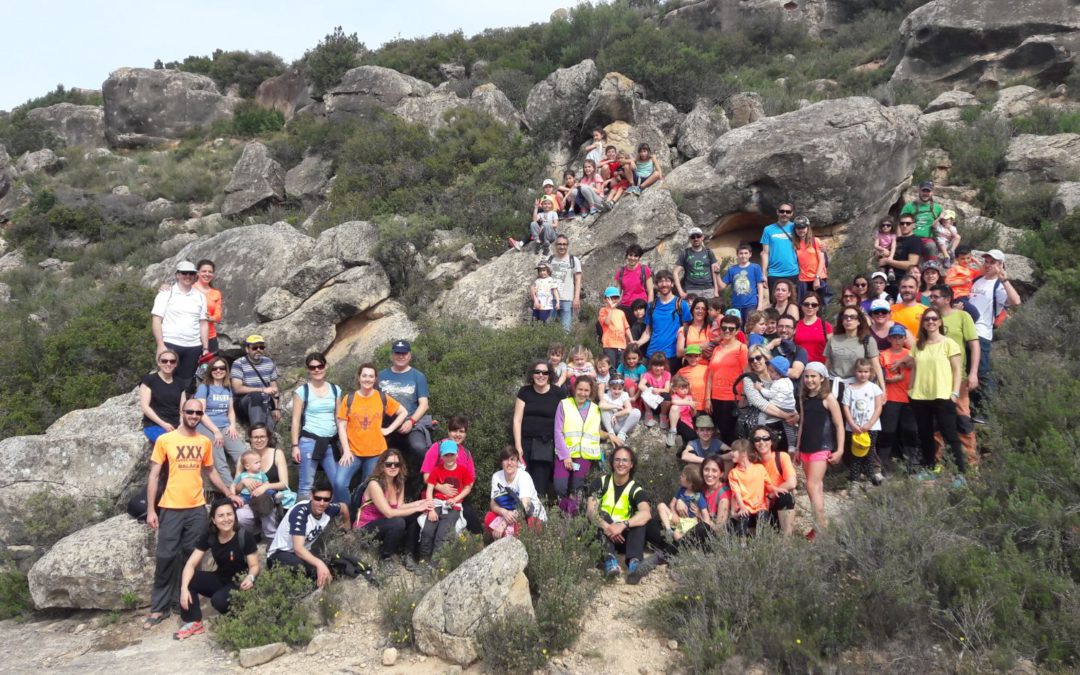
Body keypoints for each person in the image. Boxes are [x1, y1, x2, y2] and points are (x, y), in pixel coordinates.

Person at [144, 399, 237, 629]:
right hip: (171, 507)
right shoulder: (166, 440)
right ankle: (158, 608)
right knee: (166, 556)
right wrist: (150, 510)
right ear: (181, 412)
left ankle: (181, 602)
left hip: (196, 508)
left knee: (190, 557)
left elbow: (210, 471)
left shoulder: (204, 442)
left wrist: (227, 493)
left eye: (198, 412)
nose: (194, 415)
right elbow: (154, 476)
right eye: (190, 412)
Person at [174, 499, 258, 640]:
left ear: (234, 516)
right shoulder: (210, 536)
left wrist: (251, 577)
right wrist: (184, 589)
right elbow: (190, 564)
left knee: (218, 600)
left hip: (240, 582)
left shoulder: (244, 536)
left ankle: (238, 617)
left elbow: (254, 566)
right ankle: (194, 622)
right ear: (213, 519)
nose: (226, 519)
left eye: (229, 514)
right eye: (221, 516)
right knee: (187, 578)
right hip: (221, 578)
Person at [586, 446, 663, 584]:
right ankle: (609, 560)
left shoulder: (636, 489)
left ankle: (635, 564)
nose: (621, 463)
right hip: (602, 535)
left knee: (640, 521)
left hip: (622, 538)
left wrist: (622, 525)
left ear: (631, 464)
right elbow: (591, 511)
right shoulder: (600, 482)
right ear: (612, 462)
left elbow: (646, 513)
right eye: (617, 460)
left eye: (625, 460)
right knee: (601, 513)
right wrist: (607, 528)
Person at [907, 308, 966, 482]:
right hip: (920, 396)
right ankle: (929, 468)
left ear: (940, 322)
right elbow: (914, 368)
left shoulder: (949, 343)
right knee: (925, 435)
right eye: (927, 319)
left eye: (934, 319)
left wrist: (954, 393)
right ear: (923, 323)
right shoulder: (918, 345)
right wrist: (910, 389)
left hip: (943, 395)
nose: (930, 322)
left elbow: (957, 370)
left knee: (950, 435)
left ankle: (960, 473)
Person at [337, 362, 408, 502]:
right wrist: (346, 450)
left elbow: (403, 412)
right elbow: (341, 426)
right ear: (359, 377)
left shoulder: (381, 398)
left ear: (375, 379)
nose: (367, 379)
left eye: (371, 376)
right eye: (364, 376)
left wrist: (389, 429)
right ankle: (346, 514)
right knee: (339, 483)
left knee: (367, 488)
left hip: (376, 453)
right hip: (353, 452)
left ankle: (360, 518)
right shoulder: (349, 398)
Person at [355, 449, 432, 572]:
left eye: (397, 464)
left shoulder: (398, 483)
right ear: (382, 466)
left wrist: (419, 504)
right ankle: (385, 558)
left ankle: (408, 554)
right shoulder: (375, 484)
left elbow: (400, 506)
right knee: (398, 522)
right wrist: (417, 507)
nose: (393, 467)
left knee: (416, 515)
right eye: (389, 464)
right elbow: (389, 513)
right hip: (367, 528)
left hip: (386, 524)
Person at [266, 477, 350, 588]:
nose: (321, 503)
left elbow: (343, 507)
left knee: (332, 565)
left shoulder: (329, 508)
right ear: (311, 496)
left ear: (331, 499)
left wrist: (347, 527)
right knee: (303, 568)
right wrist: (319, 564)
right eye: (317, 498)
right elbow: (298, 548)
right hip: (280, 553)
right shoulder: (300, 513)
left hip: (303, 551)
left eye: (326, 499)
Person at [967, 249, 1021, 419]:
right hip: (966, 331)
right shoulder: (977, 280)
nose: (988, 265)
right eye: (987, 261)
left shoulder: (999, 285)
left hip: (981, 332)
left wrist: (1004, 278)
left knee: (982, 371)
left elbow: (1016, 301)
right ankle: (972, 408)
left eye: (993, 262)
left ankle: (985, 411)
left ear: (1000, 265)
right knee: (967, 369)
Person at [931, 283, 980, 467]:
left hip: (958, 378)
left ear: (947, 298)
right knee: (936, 422)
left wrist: (974, 373)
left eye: (936, 297)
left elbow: (974, 345)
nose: (932, 300)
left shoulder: (962, 316)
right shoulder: (931, 319)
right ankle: (938, 463)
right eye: (932, 297)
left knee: (962, 419)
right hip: (935, 378)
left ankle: (970, 464)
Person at [796, 362, 844, 536]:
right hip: (806, 447)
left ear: (822, 378)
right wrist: (797, 447)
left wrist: (840, 450)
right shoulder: (804, 397)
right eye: (807, 376)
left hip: (821, 447)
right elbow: (801, 424)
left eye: (813, 376)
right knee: (816, 488)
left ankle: (820, 528)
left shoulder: (828, 398)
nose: (809, 380)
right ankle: (819, 525)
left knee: (811, 485)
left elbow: (839, 425)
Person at [291, 352, 342, 501]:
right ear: (308, 370)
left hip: (331, 442)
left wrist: (343, 443)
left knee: (338, 483)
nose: (317, 370)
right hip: (309, 441)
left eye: (320, 366)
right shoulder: (302, 391)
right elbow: (295, 420)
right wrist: (295, 445)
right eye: (313, 367)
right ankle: (301, 520)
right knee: (306, 484)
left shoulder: (335, 389)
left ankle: (336, 519)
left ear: (325, 366)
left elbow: (339, 418)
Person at [378, 340, 433, 477]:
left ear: (409, 355)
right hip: (386, 425)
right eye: (397, 353)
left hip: (410, 423)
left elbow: (424, 404)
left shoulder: (418, 376)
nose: (401, 356)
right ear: (392, 355)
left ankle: (432, 480)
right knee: (376, 455)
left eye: (404, 353)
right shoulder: (380, 376)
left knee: (420, 448)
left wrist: (411, 421)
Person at [420, 415, 482, 535]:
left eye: (461, 431)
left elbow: (470, 481)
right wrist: (441, 487)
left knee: (474, 524)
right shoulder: (436, 448)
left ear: (465, 434)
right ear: (448, 431)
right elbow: (426, 477)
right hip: (434, 495)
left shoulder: (466, 453)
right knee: (422, 525)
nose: (457, 434)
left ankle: (480, 547)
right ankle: (411, 552)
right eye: (454, 430)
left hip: (458, 498)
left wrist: (456, 497)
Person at [151, 260, 209, 384]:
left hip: (193, 346)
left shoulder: (200, 297)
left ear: (195, 276)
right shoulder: (166, 294)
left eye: (191, 273)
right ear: (177, 275)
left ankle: (182, 403)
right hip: (170, 343)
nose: (187, 276)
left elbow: (203, 323)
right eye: (184, 273)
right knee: (165, 379)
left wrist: (205, 348)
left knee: (186, 382)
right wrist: (160, 345)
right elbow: (156, 320)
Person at [512, 359, 563, 497]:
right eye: (537, 372)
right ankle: (521, 516)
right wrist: (518, 446)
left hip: (545, 444)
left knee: (539, 486)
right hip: (525, 443)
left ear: (549, 374)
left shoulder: (558, 393)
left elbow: (564, 419)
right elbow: (517, 420)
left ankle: (537, 516)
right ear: (532, 374)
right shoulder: (524, 392)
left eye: (545, 372)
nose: (541, 375)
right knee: (522, 483)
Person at [193, 355, 245, 489]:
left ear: (226, 370)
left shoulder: (227, 389)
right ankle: (230, 489)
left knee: (242, 454)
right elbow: (200, 412)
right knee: (219, 458)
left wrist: (232, 426)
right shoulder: (205, 387)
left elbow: (230, 410)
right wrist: (215, 431)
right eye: (215, 368)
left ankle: (240, 483)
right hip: (206, 426)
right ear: (210, 370)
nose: (218, 371)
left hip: (225, 425)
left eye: (222, 368)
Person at [418, 440, 474, 561]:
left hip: (453, 506)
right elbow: (429, 490)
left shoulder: (462, 470)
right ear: (441, 456)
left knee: (442, 533)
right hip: (437, 504)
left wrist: (456, 499)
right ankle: (423, 560)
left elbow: (468, 487)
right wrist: (431, 509)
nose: (449, 458)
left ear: (457, 455)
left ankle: (436, 563)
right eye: (446, 455)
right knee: (427, 531)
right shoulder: (437, 470)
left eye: (452, 455)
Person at [554, 376, 603, 514]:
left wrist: (610, 435)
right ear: (574, 388)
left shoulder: (595, 408)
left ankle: (572, 515)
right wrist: (565, 456)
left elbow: (597, 430)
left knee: (577, 487)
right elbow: (558, 431)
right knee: (560, 487)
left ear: (591, 391)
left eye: (586, 390)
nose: (583, 393)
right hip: (564, 454)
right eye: (580, 389)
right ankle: (564, 511)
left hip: (584, 456)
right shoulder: (564, 404)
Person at [233, 424, 290, 539]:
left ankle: (272, 538)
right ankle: (253, 534)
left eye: (262, 436)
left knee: (265, 504)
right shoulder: (244, 458)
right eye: (255, 437)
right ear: (250, 439)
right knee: (241, 515)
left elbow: (284, 483)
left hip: (268, 499)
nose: (259, 440)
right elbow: (236, 488)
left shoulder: (277, 454)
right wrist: (244, 481)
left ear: (268, 437)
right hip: (249, 498)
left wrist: (266, 487)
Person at [740, 346, 799, 449]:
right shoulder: (749, 379)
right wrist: (786, 415)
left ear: (766, 358)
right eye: (751, 359)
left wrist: (795, 415)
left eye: (758, 358)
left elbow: (786, 398)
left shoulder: (779, 376)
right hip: (762, 425)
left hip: (782, 425)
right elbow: (761, 403)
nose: (755, 361)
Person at [635, 270, 692, 373]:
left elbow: (686, 331)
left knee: (669, 387)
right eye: (660, 281)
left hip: (672, 355)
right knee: (650, 387)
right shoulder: (651, 306)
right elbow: (648, 331)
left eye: (667, 281)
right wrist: (638, 342)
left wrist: (685, 352)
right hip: (652, 354)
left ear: (672, 283)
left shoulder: (681, 304)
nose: (664, 284)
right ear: (657, 284)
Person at [879, 324, 918, 471]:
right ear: (889, 338)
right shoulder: (883, 355)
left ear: (904, 338)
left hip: (909, 398)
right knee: (888, 432)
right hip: (891, 398)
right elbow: (879, 378)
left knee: (910, 431)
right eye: (893, 337)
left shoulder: (911, 354)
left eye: (900, 337)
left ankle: (912, 465)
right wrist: (892, 380)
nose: (896, 340)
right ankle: (885, 464)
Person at [841, 358, 885, 484]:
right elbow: (846, 407)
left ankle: (870, 478)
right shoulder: (849, 389)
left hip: (871, 427)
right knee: (855, 454)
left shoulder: (874, 388)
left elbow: (878, 407)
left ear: (870, 373)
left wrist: (869, 424)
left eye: (866, 372)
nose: (863, 374)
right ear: (855, 372)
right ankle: (854, 480)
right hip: (854, 428)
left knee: (869, 453)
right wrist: (852, 424)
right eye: (860, 371)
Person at [487, 446, 546, 539]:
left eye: (513, 459)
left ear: (518, 462)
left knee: (521, 529)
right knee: (489, 518)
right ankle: (505, 541)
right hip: (508, 514)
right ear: (501, 462)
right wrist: (504, 512)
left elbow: (525, 507)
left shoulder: (523, 476)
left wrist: (504, 523)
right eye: (506, 459)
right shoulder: (496, 477)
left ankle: (510, 541)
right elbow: (493, 504)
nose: (509, 463)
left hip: (530, 516)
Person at [230, 335, 281, 433]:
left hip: (264, 403)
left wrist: (276, 408)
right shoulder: (239, 363)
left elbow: (274, 387)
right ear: (247, 349)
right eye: (254, 347)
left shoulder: (269, 362)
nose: (258, 350)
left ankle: (262, 436)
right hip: (244, 403)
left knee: (269, 433)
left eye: (261, 347)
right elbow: (237, 388)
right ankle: (256, 433)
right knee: (256, 396)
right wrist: (262, 390)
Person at [753, 426, 797, 535]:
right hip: (760, 507)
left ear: (772, 441)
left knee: (785, 497)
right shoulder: (752, 462)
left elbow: (792, 483)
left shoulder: (781, 457)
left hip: (777, 504)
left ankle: (787, 540)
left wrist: (771, 495)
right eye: (757, 439)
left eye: (765, 438)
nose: (761, 442)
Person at [825, 307, 885, 386]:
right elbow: (827, 364)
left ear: (859, 321)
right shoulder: (833, 339)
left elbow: (876, 366)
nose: (848, 319)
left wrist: (882, 388)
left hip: (858, 385)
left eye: (852, 317)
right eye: (845, 317)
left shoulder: (867, 340)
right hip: (834, 385)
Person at [727, 439, 774, 538]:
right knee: (742, 520)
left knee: (763, 520)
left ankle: (761, 546)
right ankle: (742, 545)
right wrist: (741, 507)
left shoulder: (759, 468)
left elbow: (768, 485)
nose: (731, 453)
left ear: (743, 454)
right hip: (745, 507)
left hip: (760, 506)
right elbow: (736, 492)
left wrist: (776, 489)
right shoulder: (733, 473)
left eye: (734, 451)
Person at [139, 349, 187, 443]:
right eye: (164, 361)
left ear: (176, 364)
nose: (168, 364)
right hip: (155, 425)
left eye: (172, 361)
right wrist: (163, 424)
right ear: (159, 363)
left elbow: (183, 406)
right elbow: (145, 407)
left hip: (176, 424)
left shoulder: (180, 382)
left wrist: (182, 422)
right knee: (172, 445)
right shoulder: (149, 380)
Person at [657, 464, 713, 543]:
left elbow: (705, 514)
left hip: (690, 521)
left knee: (677, 534)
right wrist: (674, 513)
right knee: (661, 505)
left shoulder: (698, 496)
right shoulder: (681, 490)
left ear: (690, 483)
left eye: (683, 476)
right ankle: (668, 530)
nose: (680, 477)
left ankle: (682, 545)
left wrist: (705, 527)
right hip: (678, 518)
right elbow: (672, 504)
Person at [719, 242, 766, 323]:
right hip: (736, 304)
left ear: (750, 254)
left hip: (751, 304)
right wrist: (716, 274)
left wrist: (760, 305)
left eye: (746, 253)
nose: (743, 256)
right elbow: (722, 286)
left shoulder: (755, 267)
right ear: (737, 254)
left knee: (750, 326)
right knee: (737, 328)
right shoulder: (732, 269)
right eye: (741, 253)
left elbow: (760, 286)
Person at [757, 356, 797, 448]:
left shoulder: (777, 383)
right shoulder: (789, 381)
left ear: (779, 374)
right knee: (789, 427)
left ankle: (761, 432)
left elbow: (769, 394)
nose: (769, 373)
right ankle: (791, 446)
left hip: (779, 406)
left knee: (762, 415)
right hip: (789, 407)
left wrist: (760, 388)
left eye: (771, 372)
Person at [545, 235, 582, 332]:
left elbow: (578, 280)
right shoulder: (549, 260)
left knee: (566, 330)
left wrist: (576, 298)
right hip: (551, 299)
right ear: (555, 245)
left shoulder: (574, 260)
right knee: (547, 329)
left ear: (568, 245)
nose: (562, 247)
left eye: (564, 244)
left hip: (567, 299)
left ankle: (565, 347)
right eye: (559, 244)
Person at [760, 203, 799, 294]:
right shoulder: (768, 229)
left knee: (793, 303)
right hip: (774, 273)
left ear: (791, 213)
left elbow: (807, 241)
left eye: (788, 211)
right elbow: (765, 253)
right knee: (775, 303)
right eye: (782, 211)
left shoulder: (796, 228)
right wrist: (764, 274)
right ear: (777, 212)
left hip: (793, 272)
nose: (784, 213)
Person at [900, 180, 944, 256]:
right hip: (911, 238)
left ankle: (931, 265)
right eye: (923, 191)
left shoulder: (938, 208)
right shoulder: (909, 207)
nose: (925, 193)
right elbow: (900, 224)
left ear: (932, 192)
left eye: (928, 191)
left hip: (928, 239)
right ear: (919, 191)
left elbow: (948, 223)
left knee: (931, 246)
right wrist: (899, 239)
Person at [614, 244, 654, 326]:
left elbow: (650, 290)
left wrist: (650, 307)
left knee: (639, 332)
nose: (633, 258)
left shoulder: (645, 269)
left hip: (641, 307)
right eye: (630, 255)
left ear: (639, 257)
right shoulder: (621, 271)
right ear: (627, 256)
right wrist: (614, 305)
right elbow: (618, 291)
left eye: (636, 256)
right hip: (625, 307)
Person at [793, 216, 830, 304]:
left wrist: (817, 278)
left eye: (803, 227)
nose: (801, 230)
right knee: (804, 304)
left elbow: (822, 260)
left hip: (817, 277)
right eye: (798, 228)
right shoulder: (795, 244)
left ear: (807, 228)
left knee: (818, 304)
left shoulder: (815, 241)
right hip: (803, 279)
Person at [675, 227, 719, 299]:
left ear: (702, 237)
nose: (696, 239)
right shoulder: (685, 253)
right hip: (691, 290)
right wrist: (680, 291)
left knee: (709, 310)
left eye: (698, 236)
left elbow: (714, 271)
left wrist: (716, 290)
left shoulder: (709, 252)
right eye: (693, 237)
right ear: (690, 239)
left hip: (708, 289)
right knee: (692, 310)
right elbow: (675, 272)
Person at [879, 216, 923, 287]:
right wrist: (881, 252)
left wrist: (888, 261)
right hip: (886, 280)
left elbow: (911, 264)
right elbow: (879, 255)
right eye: (902, 223)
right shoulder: (895, 239)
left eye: (908, 223)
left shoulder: (915, 240)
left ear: (913, 225)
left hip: (902, 282)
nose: (904, 226)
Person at [193, 259, 224, 355]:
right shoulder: (190, 289)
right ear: (197, 272)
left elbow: (218, 315)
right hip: (192, 337)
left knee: (211, 367)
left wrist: (211, 318)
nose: (207, 274)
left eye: (210, 272)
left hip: (210, 337)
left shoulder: (216, 293)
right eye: (204, 271)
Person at [600, 377, 640, 447]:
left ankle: (622, 433)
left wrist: (615, 414)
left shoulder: (624, 395)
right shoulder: (607, 395)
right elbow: (601, 405)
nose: (616, 391)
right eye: (614, 388)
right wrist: (616, 406)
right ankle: (611, 434)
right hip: (612, 424)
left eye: (619, 389)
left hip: (623, 424)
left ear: (623, 388)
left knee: (636, 412)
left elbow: (628, 409)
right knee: (603, 410)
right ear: (609, 387)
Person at [793, 291, 832, 364]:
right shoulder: (795, 325)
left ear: (818, 307)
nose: (810, 307)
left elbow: (831, 349)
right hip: (799, 366)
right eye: (806, 304)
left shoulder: (826, 326)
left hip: (819, 367)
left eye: (814, 305)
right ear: (801, 306)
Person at [599, 286, 632, 367]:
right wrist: (611, 309)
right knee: (611, 367)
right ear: (605, 299)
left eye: (616, 298)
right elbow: (606, 322)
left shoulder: (621, 312)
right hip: (609, 344)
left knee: (621, 367)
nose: (613, 300)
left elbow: (626, 327)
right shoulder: (603, 310)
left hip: (622, 345)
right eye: (611, 298)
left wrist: (631, 340)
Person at [770, 315, 808, 384]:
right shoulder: (770, 347)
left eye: (788, 327)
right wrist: (769, 346)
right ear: (776, 328)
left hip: (792, 393)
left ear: (794, 330)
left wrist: (771, 370)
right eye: (780, 326)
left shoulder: (799, 351)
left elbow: (795, 373)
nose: (784, 330)